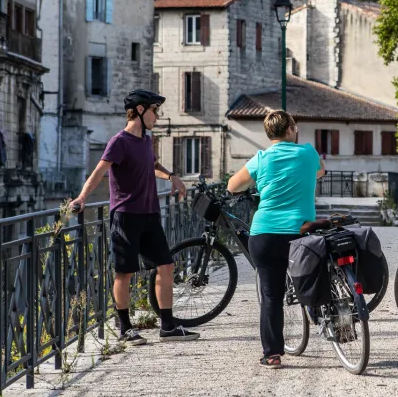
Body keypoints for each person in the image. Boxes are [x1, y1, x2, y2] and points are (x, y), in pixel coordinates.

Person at [70, 89, 200, 345]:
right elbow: (99, 171)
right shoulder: (119, 142)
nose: (157, 117)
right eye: (154, 110)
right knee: (125, 272)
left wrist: (172, 176)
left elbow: (152, 166)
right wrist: (82, 198)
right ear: (140, 110)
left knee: (166, 265)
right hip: (126, 216)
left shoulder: (145, 141)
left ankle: (168, 326)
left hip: (150, 213)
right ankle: (125, 329)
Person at [227, 110, 325, 369]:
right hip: (300, 233)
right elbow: (320, 173)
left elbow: (232, 185)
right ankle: (321, 313)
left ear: (269, 134)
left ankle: (272, 354)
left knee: (271, 296)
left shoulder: (261, 158)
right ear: (292, 129)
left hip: (265, 234)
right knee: (313, 274)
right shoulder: (308, 153)